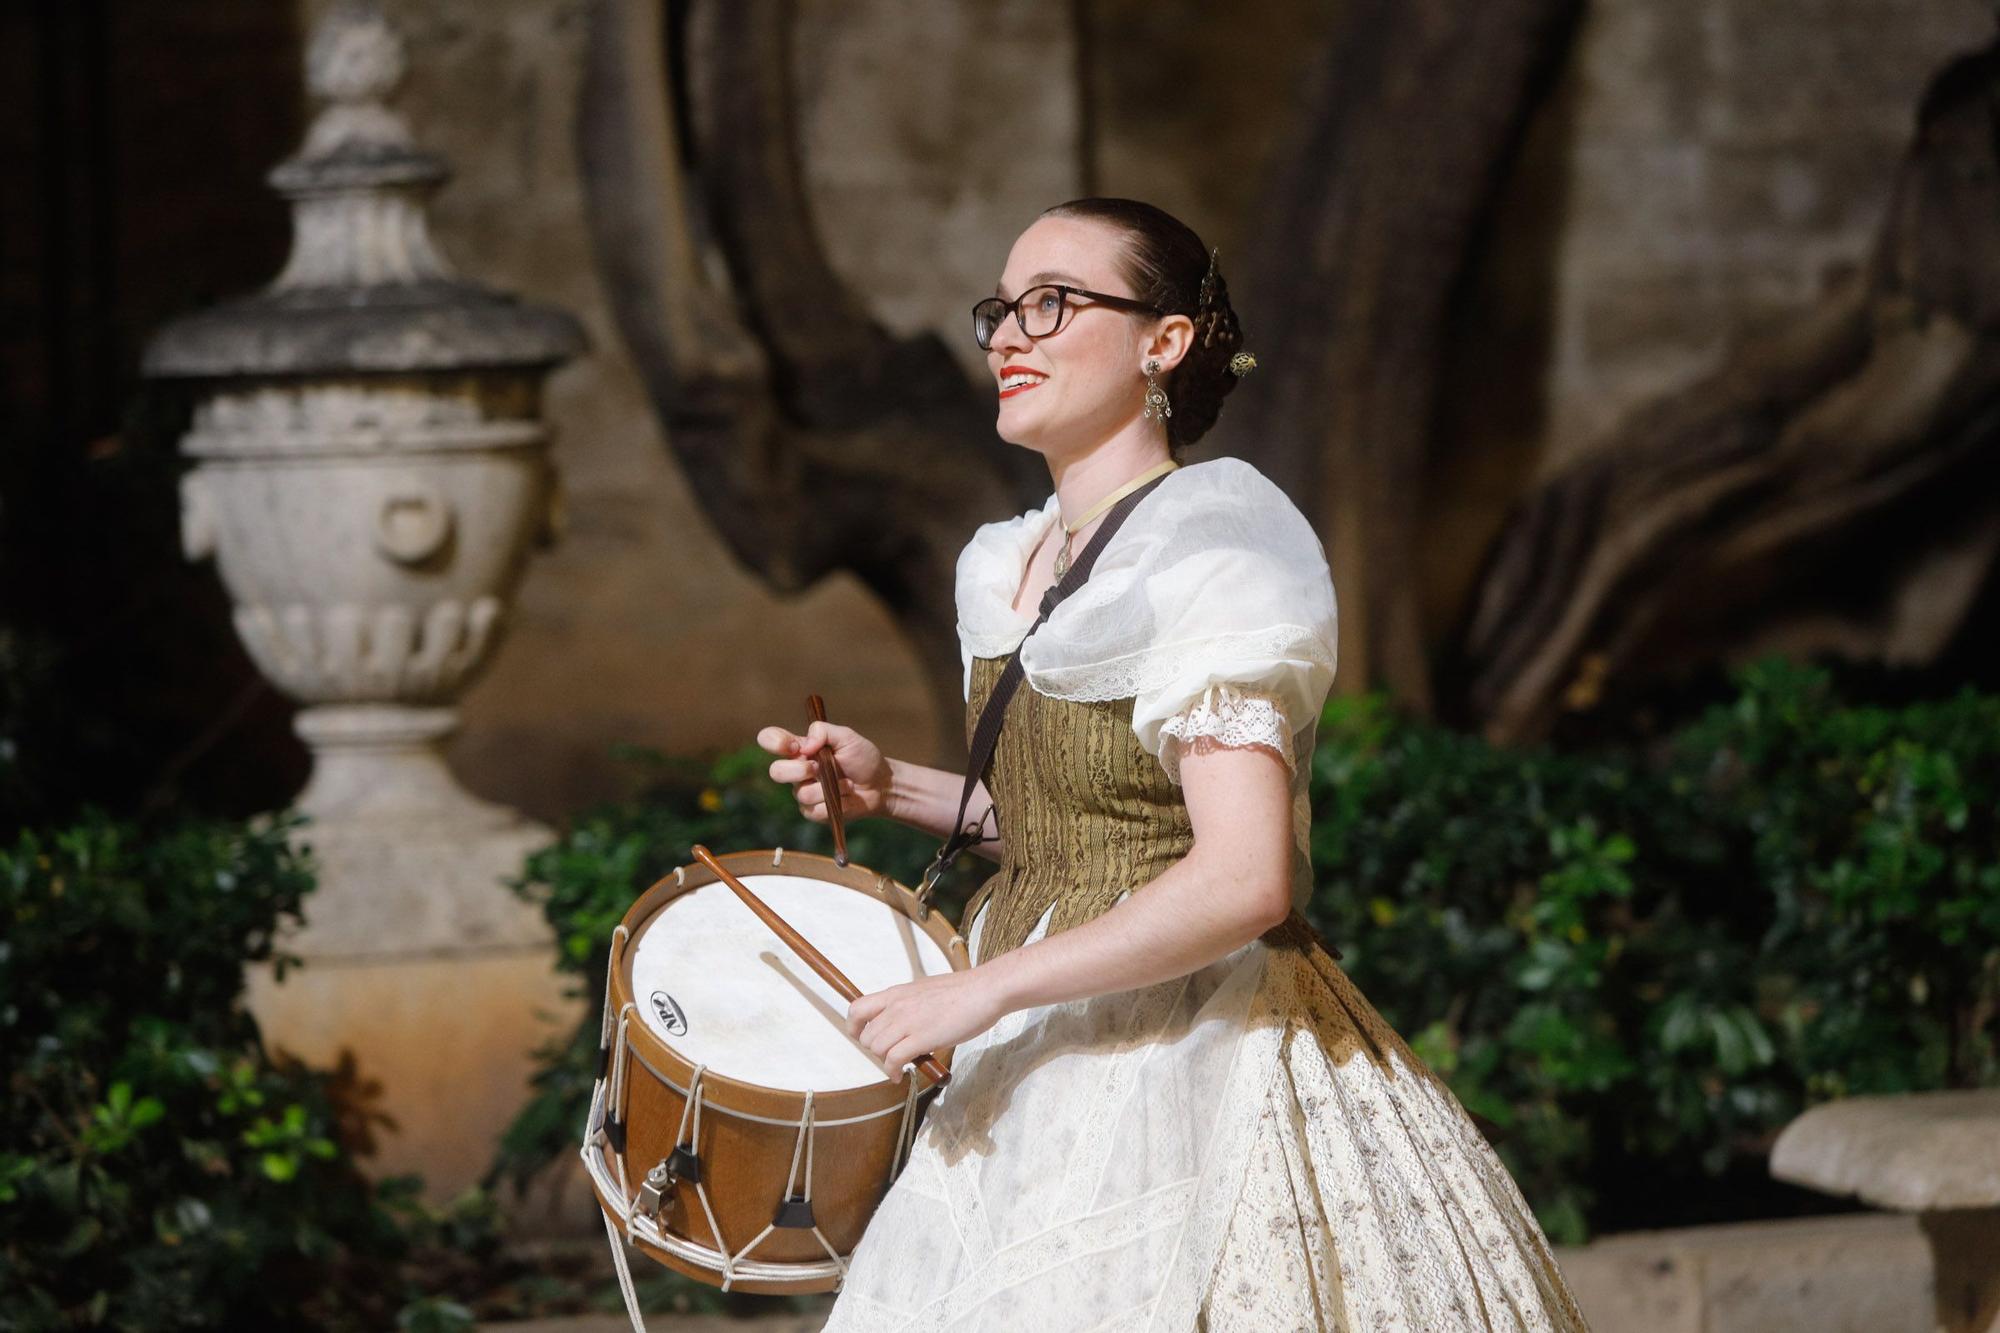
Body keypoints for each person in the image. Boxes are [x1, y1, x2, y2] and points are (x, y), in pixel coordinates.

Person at [757, 198, 1590, 1331]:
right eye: (1001, 308)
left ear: (1163, 341)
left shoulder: (1213, 551)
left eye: (1052, 303)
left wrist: (981, 988)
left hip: (1189, 1045)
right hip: (1034, 1048)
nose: (1008, 335)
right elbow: (1091, 833)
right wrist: (891, 786)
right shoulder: (1009, 561)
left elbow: (1245, 877)